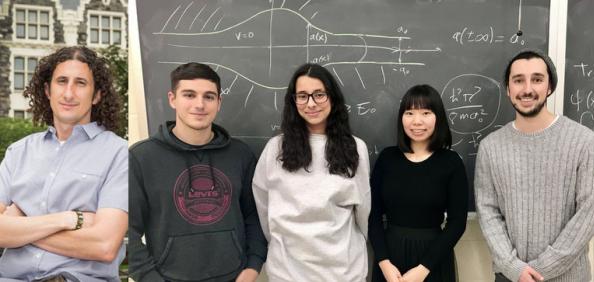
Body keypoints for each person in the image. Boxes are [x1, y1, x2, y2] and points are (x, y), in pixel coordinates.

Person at [128, 62, 267, 282]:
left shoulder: (240, 155)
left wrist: (252, 267)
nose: (199, 105)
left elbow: (254, 216)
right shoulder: (141, 157)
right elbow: (127, 231)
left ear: (219, 102)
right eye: (189, 95)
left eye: (209, 97)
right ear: (173, 99)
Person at [0, 46, 128, 282]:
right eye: (61, 81)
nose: (69, 93)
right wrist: (68, 219)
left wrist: (18, 226)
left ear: (97, 95)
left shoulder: (120, 154)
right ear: (48, 90)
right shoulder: (18, 152)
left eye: (80, 83)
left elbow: (104, 245)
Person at [475, 49, 594, 282]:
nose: (528, 89)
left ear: (550, 86)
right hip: (510, 275)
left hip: (569, 276)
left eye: (537, 79)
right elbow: (487, 211)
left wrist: (541, 270)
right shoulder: (490, 147)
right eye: (518, 80)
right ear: (508, 89)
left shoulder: (586, 142)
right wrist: (515, 268)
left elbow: (590, 215)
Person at [252, 63, 371, 282]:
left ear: (332, 97)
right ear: (293, 101)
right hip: (287, 272)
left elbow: (363, 211)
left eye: (319, 94)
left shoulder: (356, 148)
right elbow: (262, 204)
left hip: (343, 272)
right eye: (302, 96)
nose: (311, 103)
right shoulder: (275, 149)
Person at [368, 84, 468, 282]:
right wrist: (384, 262)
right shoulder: (387, 159)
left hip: (433, 259)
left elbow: (457, 223)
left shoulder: (451, 162)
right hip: (390, 260)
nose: (417, 121)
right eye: (410, 112)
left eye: (426, 113)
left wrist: (423, 269)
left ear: (437, 117)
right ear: (401, 118)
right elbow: (373, 217)